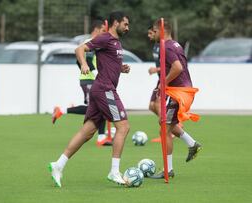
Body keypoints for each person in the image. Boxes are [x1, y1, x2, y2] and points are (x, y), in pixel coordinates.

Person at [48, 11, 131, 187]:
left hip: (100, 89)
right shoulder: (106, 38)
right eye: (125, 24)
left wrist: (120, 68)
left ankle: (58, 165)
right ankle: (114, 172)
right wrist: (84, 64)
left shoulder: (115, 42)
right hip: (105, 90)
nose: (127, 27)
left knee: (88, 131)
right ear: (116, 23)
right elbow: (79, 49)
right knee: (123, 126)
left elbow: (108, 63)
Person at [149, 19, 202, 179]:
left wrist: (163, 83)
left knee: (164, 128)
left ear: (161, 31)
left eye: (154, 31)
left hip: (179, 92)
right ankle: (192, 144)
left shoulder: (166, 46)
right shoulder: (175, 44)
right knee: (167, 125)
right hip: (181, 90)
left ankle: (168, 170)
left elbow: (177, 67)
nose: (153, 34)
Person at [52, 19, 112, 146]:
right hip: (90, 80)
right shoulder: (89, 43)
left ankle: (101, 136)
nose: (103, 33)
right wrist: (95, 74)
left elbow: (78, 62)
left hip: (90, 79)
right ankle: (62, 111)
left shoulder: (93, 43)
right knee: (96, 108)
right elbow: (88, 61)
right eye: (102, 30)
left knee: (97, 107)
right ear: (96, 30)